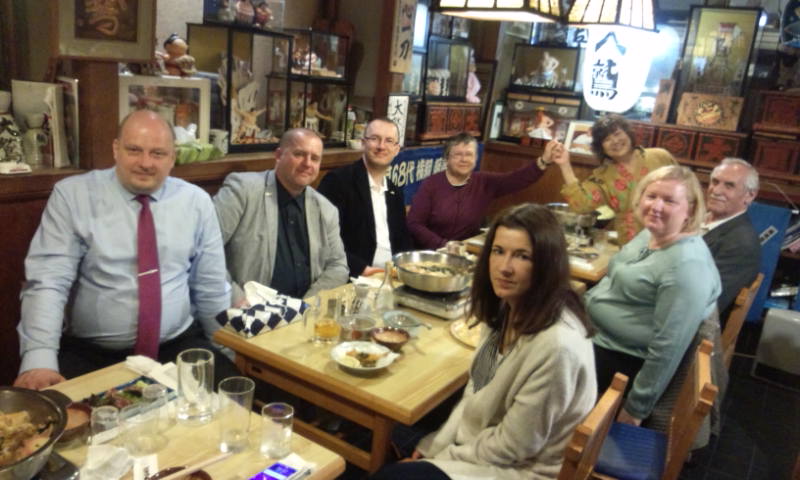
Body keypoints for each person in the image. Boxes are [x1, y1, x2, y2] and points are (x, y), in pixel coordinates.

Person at [373, 203, 597, 480]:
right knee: (408, 440)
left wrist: (442, 458)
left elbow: (514, 446)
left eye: (522, 256)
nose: (505, 267)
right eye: (498, 251)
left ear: (547, 263)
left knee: (391, 474)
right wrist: (436, 446)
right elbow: (476, 389)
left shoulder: (557, 346)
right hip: (485, 446)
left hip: (522, 470)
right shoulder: (506, 309)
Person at [15, 110, 232, 389]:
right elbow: (48, 283)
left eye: (158, 153)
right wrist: (39, 361)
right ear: (116, 149)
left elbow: (211, 286)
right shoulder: (72, 196)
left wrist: (228, 350)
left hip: (177, 347)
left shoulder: (197, 202)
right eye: (134, 150)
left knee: (235, 397)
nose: (145, 163)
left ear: (173, 157)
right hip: (93, 355)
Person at [585, 165, 721, 426]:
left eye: (669, 200)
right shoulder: (651, 233)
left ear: (690, 209)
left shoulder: (687, 266)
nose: (656, 206)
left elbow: (668, 347)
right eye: (651, 196)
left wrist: (635, 409)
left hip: (620, 361)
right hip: (597, 336)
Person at [213, 128, 348, 302]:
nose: (307, 163)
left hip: (304, 309)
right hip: (247, 309)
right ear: (278, 155)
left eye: (315, 158)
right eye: (299, 154)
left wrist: (306, 307)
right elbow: (205, 251)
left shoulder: (326, 209)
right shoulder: (242, 190)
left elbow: (338, 266)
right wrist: (236, 299)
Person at [546, 114, 676, 244]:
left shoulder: (660, 156)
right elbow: (581, 204)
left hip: (671, 236)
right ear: (601, 147)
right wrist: (564, 164)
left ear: (628, 133)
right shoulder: (603, 176)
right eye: (607, 139)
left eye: (617, 134)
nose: (615, 141)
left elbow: (684, 190)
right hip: (631, 243)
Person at [407, 132, 546, 249]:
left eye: (469, 154)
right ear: (447, 158)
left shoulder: (484, 182)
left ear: (476, 158)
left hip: (466, 252)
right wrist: (443, 245)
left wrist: (544, 161)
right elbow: (414, 223)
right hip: (432, 253)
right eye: (457, 154)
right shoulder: (431, 184)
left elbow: (516, 179)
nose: (463, 159)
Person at [317, 118, 413, 276]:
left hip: (392, 275)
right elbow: (323, 239)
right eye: (375, 138)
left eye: (389, 141)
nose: (381, 146)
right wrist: (362, 269)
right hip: (354, 275)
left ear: (396, 149)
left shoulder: (394, 191)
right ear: (363, 143)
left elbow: (402, 241)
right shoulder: (338, 181)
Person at [703, 158, 761, 324]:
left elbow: (706, 302)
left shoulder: (742, 244)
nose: (716, 191)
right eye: (715, 182)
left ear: (749, 195)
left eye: (729, 186)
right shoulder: (694, 219)